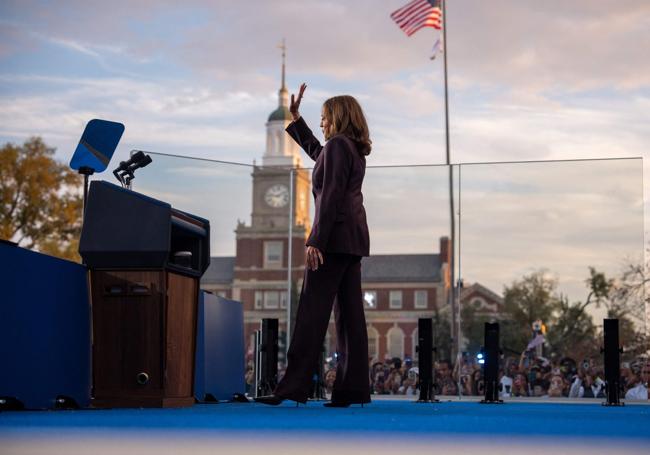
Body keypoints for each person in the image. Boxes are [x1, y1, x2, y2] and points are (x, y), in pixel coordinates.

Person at [255, 83, 372, 408]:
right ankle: (352, 391)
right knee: (350, 319)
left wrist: (315, 241)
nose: (321, 123)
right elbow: (318, 154)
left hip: (332, 242)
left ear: (337, 117)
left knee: (310, 314)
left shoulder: (338, 146)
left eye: (323, 118)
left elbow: (331, 195)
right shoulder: (349, 148)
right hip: (352, 242)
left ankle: (291, 388)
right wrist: (297, 120)